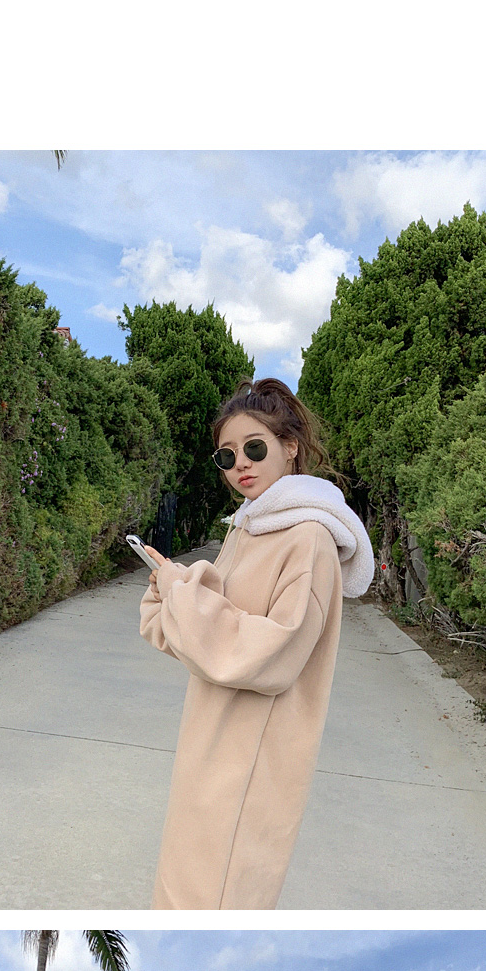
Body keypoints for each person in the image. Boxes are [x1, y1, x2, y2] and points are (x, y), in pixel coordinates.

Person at [139, 370, 375, 910]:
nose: (240, 464)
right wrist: (172, 589)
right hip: (211, 741)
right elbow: (204, 635)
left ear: (290, 447)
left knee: (215, 899)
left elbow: (272, 652)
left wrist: (185, 593)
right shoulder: (249, 526)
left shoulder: (308, 539)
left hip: (251, 757)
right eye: (227, 456)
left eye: (254, 447)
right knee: (185, 890)